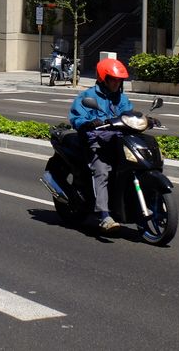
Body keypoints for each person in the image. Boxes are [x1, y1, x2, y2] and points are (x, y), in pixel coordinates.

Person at [69, 57, 134, 233]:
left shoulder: (121, 98)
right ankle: (104, 215)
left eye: (119, 80)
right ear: (103, 79)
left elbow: (129, 114)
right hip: (95, 141)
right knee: (102, 171)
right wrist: (88, 123)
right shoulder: (88, 96)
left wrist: (145, 119)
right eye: (113, 79)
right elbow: (76, 117)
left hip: (116, 140)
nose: (116, 83)